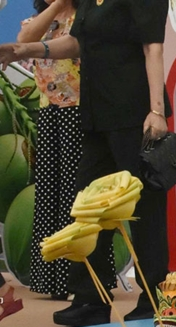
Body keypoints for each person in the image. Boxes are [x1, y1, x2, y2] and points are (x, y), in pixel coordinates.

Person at [0, 0, 172, 327]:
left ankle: (153, 296)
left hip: (134, 112)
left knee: (145, 206)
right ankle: (90, 299)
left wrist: (156, 110)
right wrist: (22, 50)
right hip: (95, 113)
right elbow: (76, 43)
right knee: (87, 206)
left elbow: (153, 47)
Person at [17, 0, 82, 301]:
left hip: (78, 111)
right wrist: (55, 7)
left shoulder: (83, 19)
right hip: (49, 111)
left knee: (73, 194)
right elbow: (23, 41)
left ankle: (76, 279)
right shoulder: (40, 21)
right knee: (48, 193)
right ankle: (49, 279)